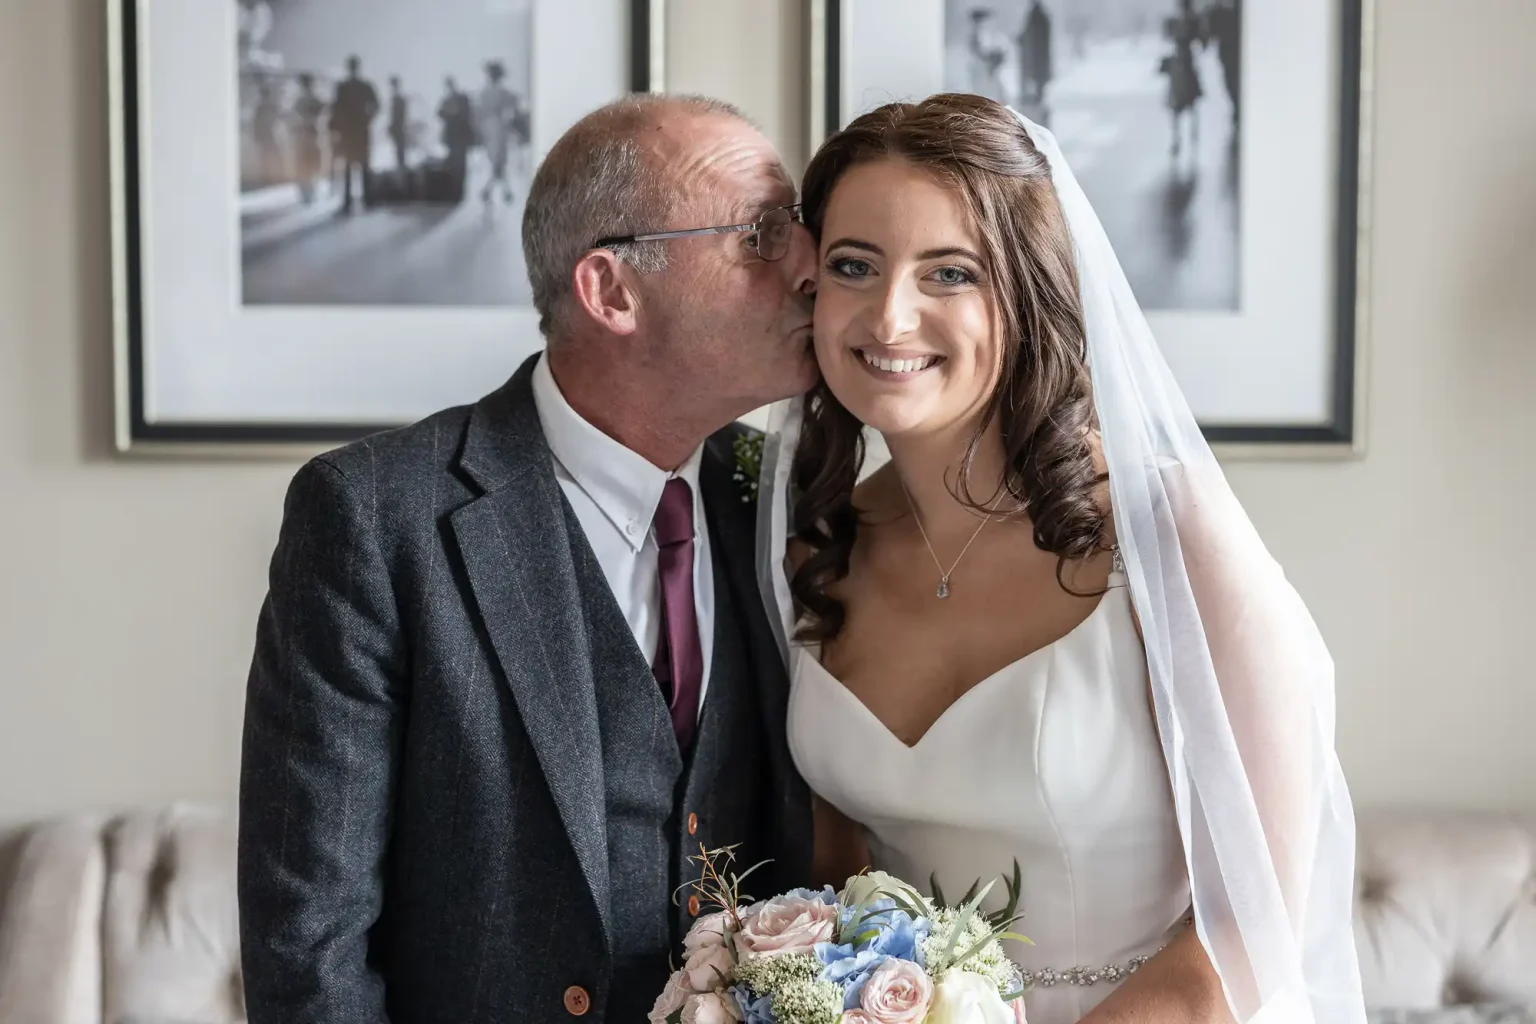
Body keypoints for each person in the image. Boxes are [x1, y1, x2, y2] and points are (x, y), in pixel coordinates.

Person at [757, 94, 1367, 1023]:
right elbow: (841, 889)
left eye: (949, 273)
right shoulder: (817, 545)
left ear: (1028, 292)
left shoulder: (1172, 536)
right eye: (854, 266)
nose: (889, 316)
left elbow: (1247, 938)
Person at [238, 94, 818, 1022]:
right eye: (761, 235)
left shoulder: (776, 496)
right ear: (611, 291)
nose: (811, 265)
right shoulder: (376, 516)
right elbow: (309, 945)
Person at [329, 55, 378, 212]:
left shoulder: (342, 87)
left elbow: (335, 109)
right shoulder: (365, 86)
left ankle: (348, 202)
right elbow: (376, 105)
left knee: (349, 167)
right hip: (361, 130)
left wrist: (336, 129)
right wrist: (368, 119)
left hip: (348, 132)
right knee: (364, 165)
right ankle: (368, 199)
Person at [475, 60, 519, 205]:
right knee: (498, 162)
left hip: (490, 128)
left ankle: (492, 191)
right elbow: (514, 102)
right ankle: (497, 191)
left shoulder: (485, 93)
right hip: (498, 127)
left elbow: (479, 112)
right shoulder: (502, 92)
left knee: (498, 162)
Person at [289, 73, 326, 203]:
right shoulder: (301, 101)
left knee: (309, 165)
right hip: (305, 137)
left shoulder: (309, 100)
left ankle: (308, 193)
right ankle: (306, 193)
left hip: (309, 136)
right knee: (305, 165)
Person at [437, 75, 475, 192]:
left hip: (460, 137)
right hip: (452, 137)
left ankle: (459, 188)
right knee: (455, 163)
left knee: (461, 164)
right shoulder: (447, 100)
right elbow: (440, 113)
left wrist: (452, 113)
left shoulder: (461, 98)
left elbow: (466, 114)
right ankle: (454, 188)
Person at [387, 75, 409, 171]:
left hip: (399, 127)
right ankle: (400, 167)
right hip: (398, 127)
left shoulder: (398, 99)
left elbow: (399, 115)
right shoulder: (396, 98)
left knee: (400, 150)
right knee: (399, 150)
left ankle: (401, 168)